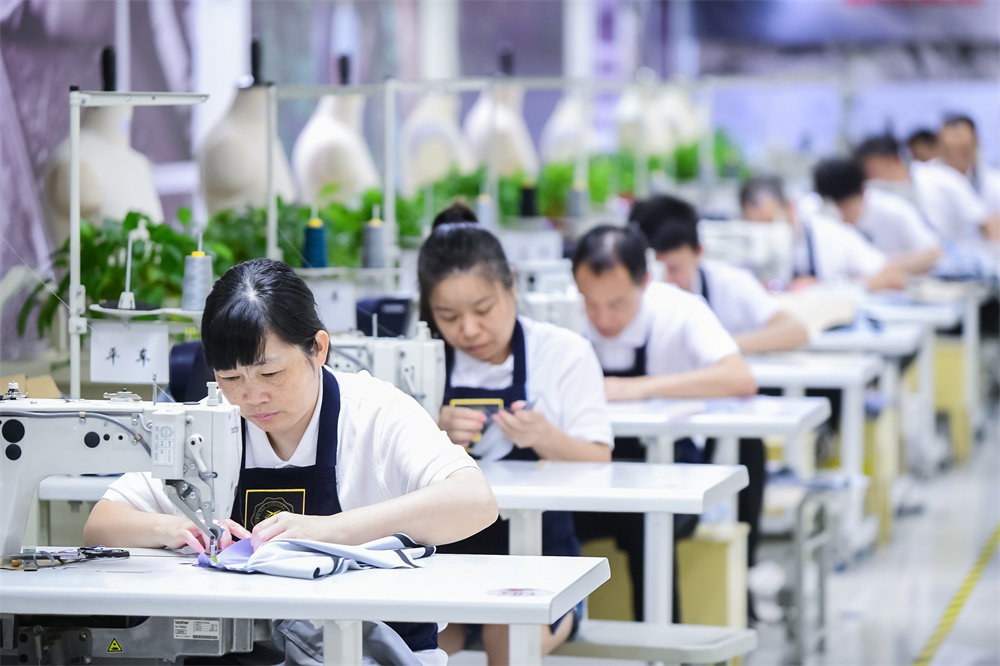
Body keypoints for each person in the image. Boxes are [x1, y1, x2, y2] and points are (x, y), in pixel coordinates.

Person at [84, 258, 498, 665]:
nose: (252, 397)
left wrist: (330, 530)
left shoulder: (375, 413)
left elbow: (476, 502)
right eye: (230, 378)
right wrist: (175, 527)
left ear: (318, 349)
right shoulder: (210, 424)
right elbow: (100, 524)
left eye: (270, 375)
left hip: (376, 652)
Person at [419, 222, 613, 663]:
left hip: (544, 561)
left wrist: (547, 437)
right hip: (444, 560)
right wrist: (430, 431)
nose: (469, 330)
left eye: (483, 309)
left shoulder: (563, 353)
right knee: (418, 650)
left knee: (508, 644)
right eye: (448, 316)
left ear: (511, 286)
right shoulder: (422, 362)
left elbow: (600, 459)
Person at [571, 224, 757, 622]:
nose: (602, 318)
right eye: (590, 303)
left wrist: (638, 388)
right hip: (589, 467)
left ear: (645, 282)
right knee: (536, 523)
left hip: (672, 469)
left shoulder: (680, 311)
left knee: (645, 519)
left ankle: (658, 639)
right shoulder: (564, 317)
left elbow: (740, 378)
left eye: (617, 304)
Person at [631, 194, 810, 353]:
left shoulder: (730, 284)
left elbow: (795, 332)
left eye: (674, 269)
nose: (667, 280)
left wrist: (716, 346)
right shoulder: (630, 295)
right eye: (655, 271)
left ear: (699, 251)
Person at [740, 175, 908, 292]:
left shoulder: (831, 235)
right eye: (757, 228)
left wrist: (825, 287)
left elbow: (892, 276)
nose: (766, 234)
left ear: (790, 206)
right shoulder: (745, 247)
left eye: (771, 223)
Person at [855, 134, 999, 243]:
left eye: (871, 168)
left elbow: (986, 220)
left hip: (954, 260)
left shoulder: (940, 177)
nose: (869, 175)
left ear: (891, 160)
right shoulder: (874, 193)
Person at [813, 157, 943, 273]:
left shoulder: (893, 210)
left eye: (844, 206)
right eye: (833, 207)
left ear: (863, 192)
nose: (840, 214)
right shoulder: (822, 219)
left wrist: (882, 268)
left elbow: (934, 253)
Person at [937, 115, 1000, 215]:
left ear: (976, 142)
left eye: (963, 149)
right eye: (949, 150)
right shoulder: (927, 179)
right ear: (939, 147)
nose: (956, 157)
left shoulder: (994, 183)